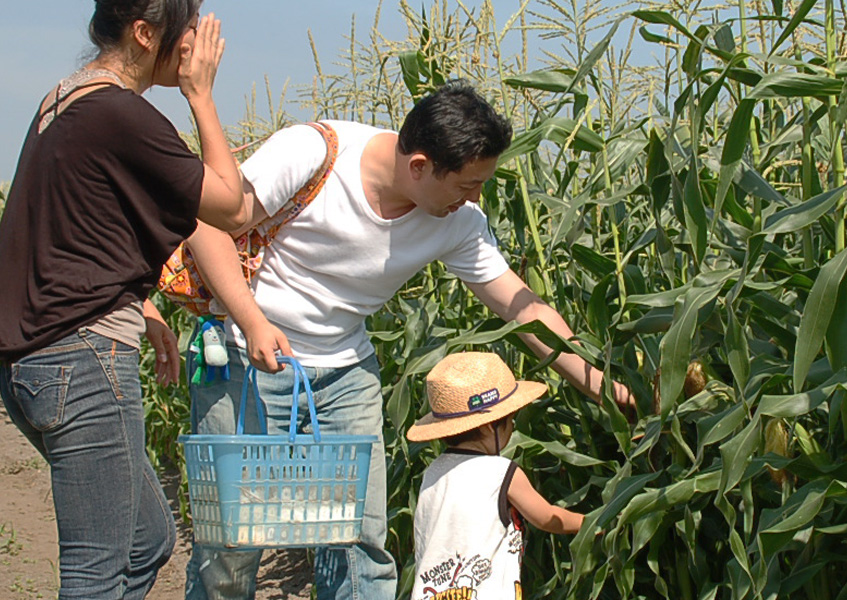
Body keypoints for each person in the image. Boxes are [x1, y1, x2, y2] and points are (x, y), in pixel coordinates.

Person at [182, 81, 631, 599]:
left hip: (346, 374)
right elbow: (207, 222)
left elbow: (522, 307)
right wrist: (253, 319)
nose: (475, 197)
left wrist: (605, 386)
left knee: (359, 545)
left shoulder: (458, 221)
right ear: (419, 166)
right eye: (467, 184)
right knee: (232, 548)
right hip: (246, 363)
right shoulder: (315, 152)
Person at [0, 1, 252, 597]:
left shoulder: (64, 100)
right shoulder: (118, 112)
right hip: (83, 362)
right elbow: (231, 206)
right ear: (144, 33)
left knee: (147, 541)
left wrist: (140, 304)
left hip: (36, 361)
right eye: (184, 29)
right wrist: (201, 96)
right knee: (95, 571)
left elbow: (63, 233)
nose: (195, 42)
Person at [407, 351, 583, 600]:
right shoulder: (502, 473)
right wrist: (593, 524)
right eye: (510, 421)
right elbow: (547, 518)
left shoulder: (432, 473)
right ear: (490, 426)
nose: (512, 428)